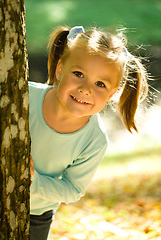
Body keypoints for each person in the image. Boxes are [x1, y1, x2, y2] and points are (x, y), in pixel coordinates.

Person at [29, 26, 148, 240]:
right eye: (78, 74)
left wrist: (31, 181)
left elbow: (72, 189)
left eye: (100, 84)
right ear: (60, 69)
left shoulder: (94, 139)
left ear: (112, 94)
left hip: (36, 214)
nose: (85, 88)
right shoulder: (25, 96)